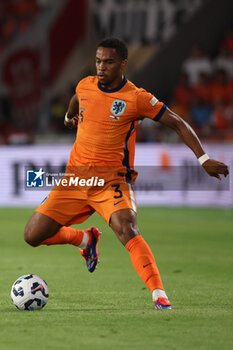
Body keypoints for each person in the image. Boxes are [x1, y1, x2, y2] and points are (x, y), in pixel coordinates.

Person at [24, 38, 229, 310]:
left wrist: (203, 158)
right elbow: (77, 99)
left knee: (127, 228)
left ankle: (158, 293)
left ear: (123, 64)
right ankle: (85, 238)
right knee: (32, 236)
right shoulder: (85, 85)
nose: (101, 67)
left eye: (108, 62)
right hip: (76, 179)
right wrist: (67, 118)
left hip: (112, 181)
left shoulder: (136, 98)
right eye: (98, 61)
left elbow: (177, 124)